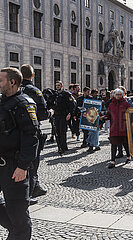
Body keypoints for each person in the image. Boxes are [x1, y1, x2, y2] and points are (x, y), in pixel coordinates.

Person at [0, 67, 39, 240]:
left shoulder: (24, 103)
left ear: (12, 82)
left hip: (15, 167)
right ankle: (14, 230)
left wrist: (23, 166)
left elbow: (31, 137)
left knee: (19, 216)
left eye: (0, 80)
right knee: (15, 222)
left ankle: (18, 232)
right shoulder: (2, 102)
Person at [20, 64, 51, 203]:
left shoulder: (15, 89)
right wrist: (51, 113)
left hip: (15, 132)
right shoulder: (34, 91)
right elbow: (43, 114)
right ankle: (28, 193)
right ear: (33, 75)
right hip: (31, 131)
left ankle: (35, 186)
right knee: (32, 163)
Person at [102, 89, 131, 168]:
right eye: (117, 94)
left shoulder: (126, 104)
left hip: (123, 127)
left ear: (122, 95)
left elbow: (130, 114)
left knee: (125, 143)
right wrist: (104, 117)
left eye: (119, 94)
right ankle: (112, 161)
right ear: (114, 95)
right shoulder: (111, 104)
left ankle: (128, 156)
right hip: (114, 127)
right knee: (113, 144)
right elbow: (109, 114)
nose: (118, 96)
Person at [51, 81, 75, 154]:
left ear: (62, 86)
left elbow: (72, 104)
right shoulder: (55, 94)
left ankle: (63, 147)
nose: (57, 87)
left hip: (64, 115)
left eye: (58, 85)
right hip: (56, 115)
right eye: (56, 85)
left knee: (62, 131)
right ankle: (60, 147)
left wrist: (70, 114)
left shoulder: (66, 94)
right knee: (57, 131)